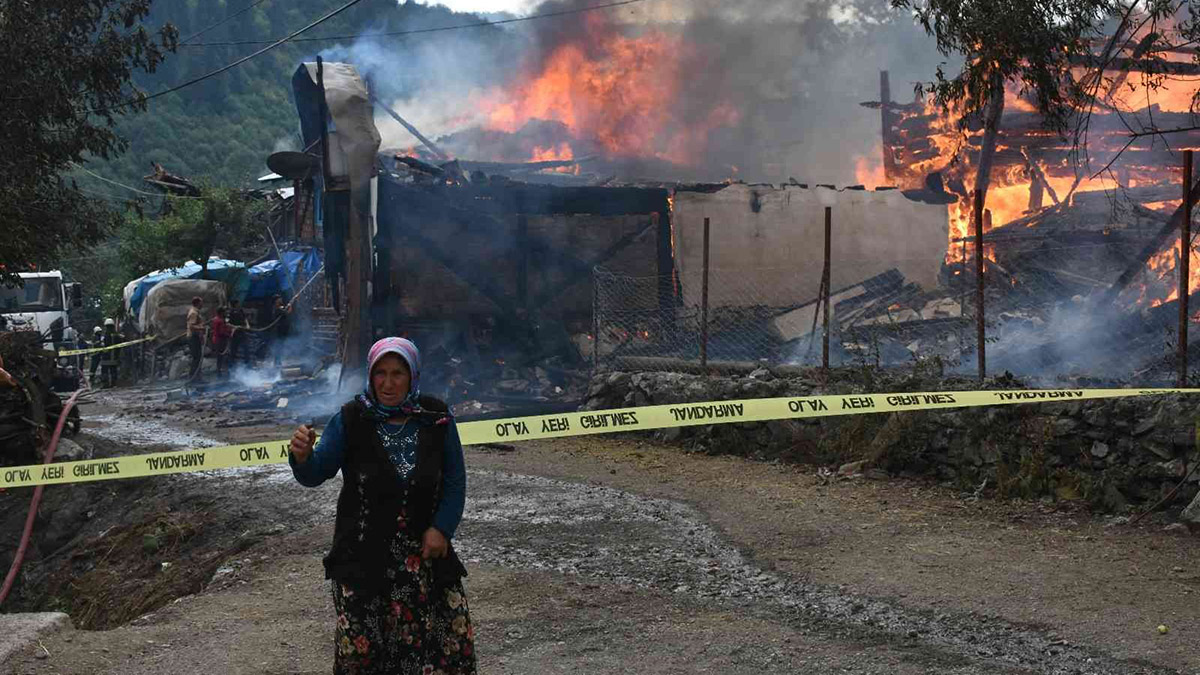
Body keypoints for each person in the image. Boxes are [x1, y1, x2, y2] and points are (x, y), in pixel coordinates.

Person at [288, 338, 476, 675]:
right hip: (364, 561)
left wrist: (442, 528)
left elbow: (454, 481)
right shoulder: (351, 419)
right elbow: (316, 473)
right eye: (380, 374)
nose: (388, 384)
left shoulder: (436, 418)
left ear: (413, 376)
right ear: (371, 377)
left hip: (425, 560)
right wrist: (302, 457)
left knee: (436, 649)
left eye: (397, 374)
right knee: (364, 654)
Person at [210, 307, 233, 379]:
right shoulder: (220, 320)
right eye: (225, 312)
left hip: (215, 339)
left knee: (219, 357)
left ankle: (219, 372)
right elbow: (222, 332)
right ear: (222, 313)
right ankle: (226, 372)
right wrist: (230, 334)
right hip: (221, 340)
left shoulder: (214, 319)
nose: (226, 313)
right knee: (224, 355)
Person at [271, 294, 293, 366]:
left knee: (280, 346)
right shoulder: (277, 308)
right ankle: (277, 362)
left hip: (282, 329)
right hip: (280, 330)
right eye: (279, 298)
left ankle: (278, 362)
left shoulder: (279, 307)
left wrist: (289, 306)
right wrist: (289, 306)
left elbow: (286, 310)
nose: (281, 299)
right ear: (276, 300)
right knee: (279, 346)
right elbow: (287, 312)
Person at [186, 297, 204, 381]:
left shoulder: (196, 312)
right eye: (201, 303)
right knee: (196, 357)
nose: (202, 304)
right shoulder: (193, 313)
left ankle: (197, 376)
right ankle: (193, 377)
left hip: (196, 336)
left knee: (198, 357)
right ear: (197, 303)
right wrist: (201, 328)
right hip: (193, 337)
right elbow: (191, 326)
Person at [227, 299, 250, 366]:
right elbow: (227, 323)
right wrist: (235, 327)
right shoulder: (230, 312)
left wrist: (247, 325)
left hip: (242, 331)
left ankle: (247, 364)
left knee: (246, 347)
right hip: (235, 333)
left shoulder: (240, 310)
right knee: (233, 350)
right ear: (235, 304)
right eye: (238, 303)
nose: (239, 305)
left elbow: (245, 318)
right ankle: (231, 365)